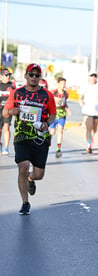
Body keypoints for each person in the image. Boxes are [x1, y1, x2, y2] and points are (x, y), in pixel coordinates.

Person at [2, 63, 56, 215]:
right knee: (23, 167)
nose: (33, 77)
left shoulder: (47, 95)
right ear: (25, 76)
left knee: (39, 175)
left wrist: (47, 124)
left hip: (40, 138)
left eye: (36, 75)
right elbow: (5, 113)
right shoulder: (17, 93)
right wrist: (13, 111)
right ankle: (25, 202)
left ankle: (31, 180)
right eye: (31, 74)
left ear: (40, 77)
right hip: (22, 136)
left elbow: (53, 114)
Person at [78, 71, 98, 154]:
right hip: (88, 110)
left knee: (94, 129)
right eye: (92, 76)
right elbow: (80, 96)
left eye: (95, 76)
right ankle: (89, 145)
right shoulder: (84, 85)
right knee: (89, 128)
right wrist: (81, 102)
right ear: (89, 76)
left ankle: (91, 139)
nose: (93, 77)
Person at [49, 77, 72, 157]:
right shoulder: (53, 92)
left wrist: (68, 109)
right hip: (53, 114)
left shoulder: (66, 94)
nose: (63, 85)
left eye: (64, 84)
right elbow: (49, 102)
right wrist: (55, 102)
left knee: (61, 130)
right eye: (61, 83)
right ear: (58, 84)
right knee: (52, 132)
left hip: (62, 114)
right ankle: (48, 141)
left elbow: (65, 103)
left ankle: (58, 149)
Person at [0, 69, 15, 155]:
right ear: (1, 76)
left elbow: (16, 97)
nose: (8, 77)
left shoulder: (12, 86)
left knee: (6, 127)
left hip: (8, 110)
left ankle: (6, 148)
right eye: (6, 75)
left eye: (9, 75)